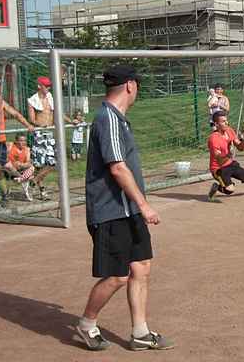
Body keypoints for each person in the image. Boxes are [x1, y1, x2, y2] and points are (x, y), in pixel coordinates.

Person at [78, 64, 173, 352]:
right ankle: (86, 324)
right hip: (111, 211)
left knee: (141, 267)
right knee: (118, 276)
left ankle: (141, 332)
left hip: (127, 209)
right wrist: (144, 205)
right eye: (138, 86)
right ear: (131, 86)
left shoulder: (119, 119)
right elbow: (117, 168)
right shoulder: (107, 118)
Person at [206, 111, 244, 202]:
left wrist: (243, 140)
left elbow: (240, 148)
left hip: (230, 164)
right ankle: (215, 187)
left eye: (226, 120)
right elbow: (219, 160)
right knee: (229, 190)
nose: (226, 123)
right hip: (218, 169)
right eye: (223, 121)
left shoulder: (229, 131)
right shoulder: (213, 139)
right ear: (216, 124)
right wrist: (228, 155)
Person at [27, 76, 71, 199]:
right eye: (46, 86)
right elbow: (32, 119)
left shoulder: (50, 97)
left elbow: (58, 112)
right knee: (40, 164)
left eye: (49, 85)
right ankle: (42, 191)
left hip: (50, 133)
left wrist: (71, 121)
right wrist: (41, 125)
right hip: (40, 134)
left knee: (52, 163)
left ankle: (32, 182)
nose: (48, 88)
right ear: (39, 86)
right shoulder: (32, 100)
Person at [7, 134, 35, 201]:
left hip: (21, 169)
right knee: (30, 176)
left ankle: (21, 179)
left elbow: (28, 163)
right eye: (21, 140)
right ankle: (22, 178)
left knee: (32, 168)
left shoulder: (27, 149)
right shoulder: (10, 145)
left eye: (25, 141)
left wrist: (22, 165)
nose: (23, 142)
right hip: (9, 169)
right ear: (16, 141)